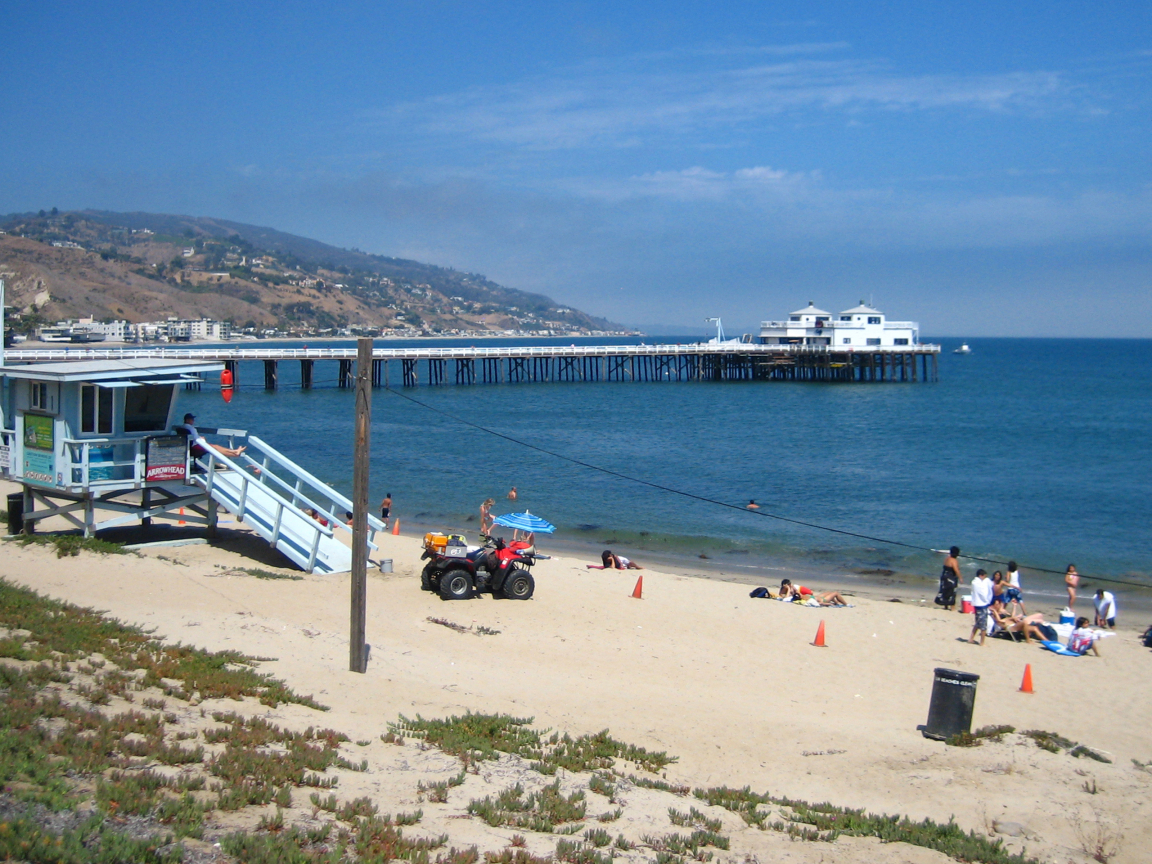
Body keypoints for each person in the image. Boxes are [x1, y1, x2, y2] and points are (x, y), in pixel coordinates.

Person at [176, 413, 246, 459]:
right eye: (192, 419)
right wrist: (203, 439)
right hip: (195, 446)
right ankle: (235, 453)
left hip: (189, 446)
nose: (193, 421)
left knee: (215, 447)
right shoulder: (191, 428)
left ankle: (234, 451)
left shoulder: (183, 427)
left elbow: (193, 438)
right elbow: (196, 439)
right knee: (215, 448)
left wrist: (200, 438)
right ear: (187, 420)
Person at [968, 569, 994, 646]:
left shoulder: (974, 582)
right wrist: (988, 600)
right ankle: (982, 642)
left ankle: (971, 638)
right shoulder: (978, 583)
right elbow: (983, 593)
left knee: (978, 622)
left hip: (977, 604)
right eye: (984, 576)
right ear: (981, 576)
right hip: (982, 605)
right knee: (983, 624)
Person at [779, 579, 848, 606]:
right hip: (820, 600)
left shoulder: (793, 588)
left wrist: (792, 588)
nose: (791, 585)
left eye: (790, 584)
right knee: (836, 593)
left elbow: (798, 593)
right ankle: (846, 604)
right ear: (785, 585)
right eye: (789, 584)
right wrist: (788, 589)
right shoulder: (785, 591)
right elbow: (785, 598)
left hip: (815, 597)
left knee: (829, 592)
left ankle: (837, 603)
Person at [935, 546, 963, 612]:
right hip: (950, 578)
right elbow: (956, 570)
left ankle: (946, 606)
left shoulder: (947, 559)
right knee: (952, 592)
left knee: (945, 591)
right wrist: (960, 578)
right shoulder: (954, 560)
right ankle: (952, 608)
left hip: (944, 576)